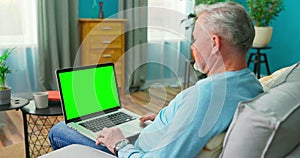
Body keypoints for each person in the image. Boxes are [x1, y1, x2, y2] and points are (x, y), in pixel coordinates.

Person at [48, 2, 263, 157]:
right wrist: (167, 118)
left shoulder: (206, 96)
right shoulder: (252, 84)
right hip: (150, 137)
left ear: (215, 43)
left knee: (59, 130)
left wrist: (120, 144)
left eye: (196, 39)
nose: (193, 46)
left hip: (133, 151)